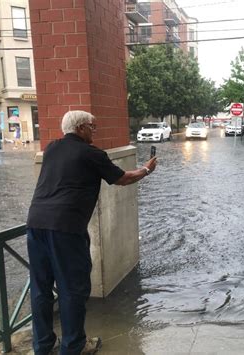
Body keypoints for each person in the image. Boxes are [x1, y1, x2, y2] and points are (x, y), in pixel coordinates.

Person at [26, 110, 157, 354]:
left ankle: (42, 346)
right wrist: (147, 169)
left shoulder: (52, 148)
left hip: (35, 224)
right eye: (93, 127)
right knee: (72, 289)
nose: (94, 132)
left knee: (40, 289)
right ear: (81, 128)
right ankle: (73, 347)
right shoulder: (91, 153)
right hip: (65, 229)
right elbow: (123, 179)